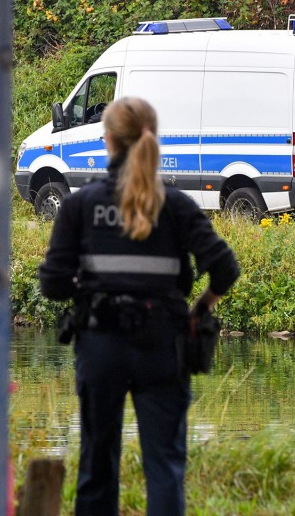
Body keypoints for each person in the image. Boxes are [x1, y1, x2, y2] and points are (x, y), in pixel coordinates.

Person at [38, 97, 239, 516]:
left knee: (97, 464)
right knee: (164, 465)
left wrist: (90, 290)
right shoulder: (176, 205)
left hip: (100, 346)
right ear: (152, 138)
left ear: (108, 139)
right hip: (163, 346)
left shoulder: (81, 205)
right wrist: (198, 311)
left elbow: (53, 284)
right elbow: (224, 269)